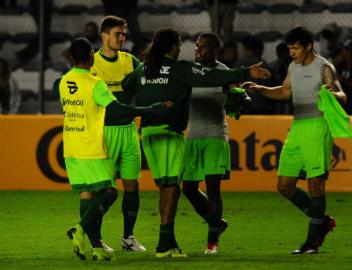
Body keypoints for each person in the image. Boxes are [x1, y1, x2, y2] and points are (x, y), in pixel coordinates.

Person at [122, 27, 270, 258]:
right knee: (174, 188)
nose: (186, 49)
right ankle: (165, 244)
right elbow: (211, 77)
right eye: (180, 44)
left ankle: (194, 238)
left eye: (201, 45)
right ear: (172, 46)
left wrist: (146, 92)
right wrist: (246, 71)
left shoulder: (145, 68)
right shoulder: (181, 69)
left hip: (149, 134)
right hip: (171, 133)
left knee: (169, 187)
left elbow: (126, 85)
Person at [57, 37, 170, 261]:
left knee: (87, 195)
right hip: (91, 147)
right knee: (109, 192)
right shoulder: (95, 84)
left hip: (71, 148)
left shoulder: (63, 81)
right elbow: (118, 110)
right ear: (91, 56)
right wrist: (153, 108)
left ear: (71, 58)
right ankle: (79, 228)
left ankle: (97, 249)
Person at [242, 26, 345, 254]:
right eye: (290, 48)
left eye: (296, 48)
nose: (292, 52)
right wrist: (260, 88)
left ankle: (312, 241)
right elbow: (285, 92)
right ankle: (322, 221)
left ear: (308, 46)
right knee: (284, 185)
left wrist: (332, 93)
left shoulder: (324, 67)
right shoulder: (293, 67)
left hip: (318, 127)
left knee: (315, 184)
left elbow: (342, 95)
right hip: (297, 127)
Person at [90, 15, 145, 252]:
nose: (122, 37)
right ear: (104, 36)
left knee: (132, 185)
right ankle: (96, 239)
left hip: (129, 131)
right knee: (104, 189)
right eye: (117, 34)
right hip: (104, 133)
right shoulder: (91, 64)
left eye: (123, 34)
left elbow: (148, 79)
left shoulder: (130, 61)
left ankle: (128, 238)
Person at [181, 32, 232, 255]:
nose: (197, 50)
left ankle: (212, 240)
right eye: (196, 47)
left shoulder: (223, 73)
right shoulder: (191, 71)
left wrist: (241, 100)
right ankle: (217, 222)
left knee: (213, 188)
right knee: (189, 189)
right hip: (193, 136)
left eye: (201, 47)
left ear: (213, 50)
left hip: (214, 135)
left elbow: (233, 99)